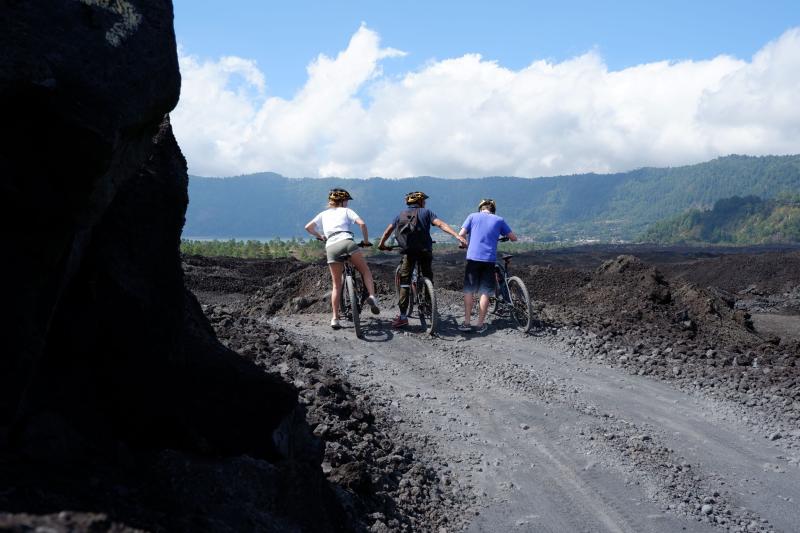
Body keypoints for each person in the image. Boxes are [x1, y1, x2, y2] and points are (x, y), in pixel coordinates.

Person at [377, 191, 467, 327]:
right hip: (425, 250)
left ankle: (402, 317)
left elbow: (387, 232)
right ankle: (429, 305)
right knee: (428, 276)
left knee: (405, 282)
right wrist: (457, 236)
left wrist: (381, 245)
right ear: (420, 202)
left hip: (408, 252)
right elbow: (441, 224)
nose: (425, 203)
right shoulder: (427, 212)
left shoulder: (400, 215)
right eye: (424, 201)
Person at [305, 188, 380, 329]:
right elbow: (362, 224)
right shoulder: (346, 211)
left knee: (336, 285)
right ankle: (372, 297)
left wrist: (321, 236)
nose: (347, 203)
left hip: (331, 246)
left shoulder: (323, 214)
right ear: (343, 201)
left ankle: (335, 318)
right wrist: (365, 241)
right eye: (346, 201)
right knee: (365, 271)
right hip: (347, 242)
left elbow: (308, 227)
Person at [458, 198, 517, 333]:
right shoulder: (499, 220)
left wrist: (463, 243)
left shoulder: (472, 216)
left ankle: (466, 323)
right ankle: (480, 325)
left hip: (473, 258)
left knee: (469, 290)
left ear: (481, 209)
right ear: (493, 210)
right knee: (485, 292)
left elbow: (461, 234)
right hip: (489, 260)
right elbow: (513, 238)